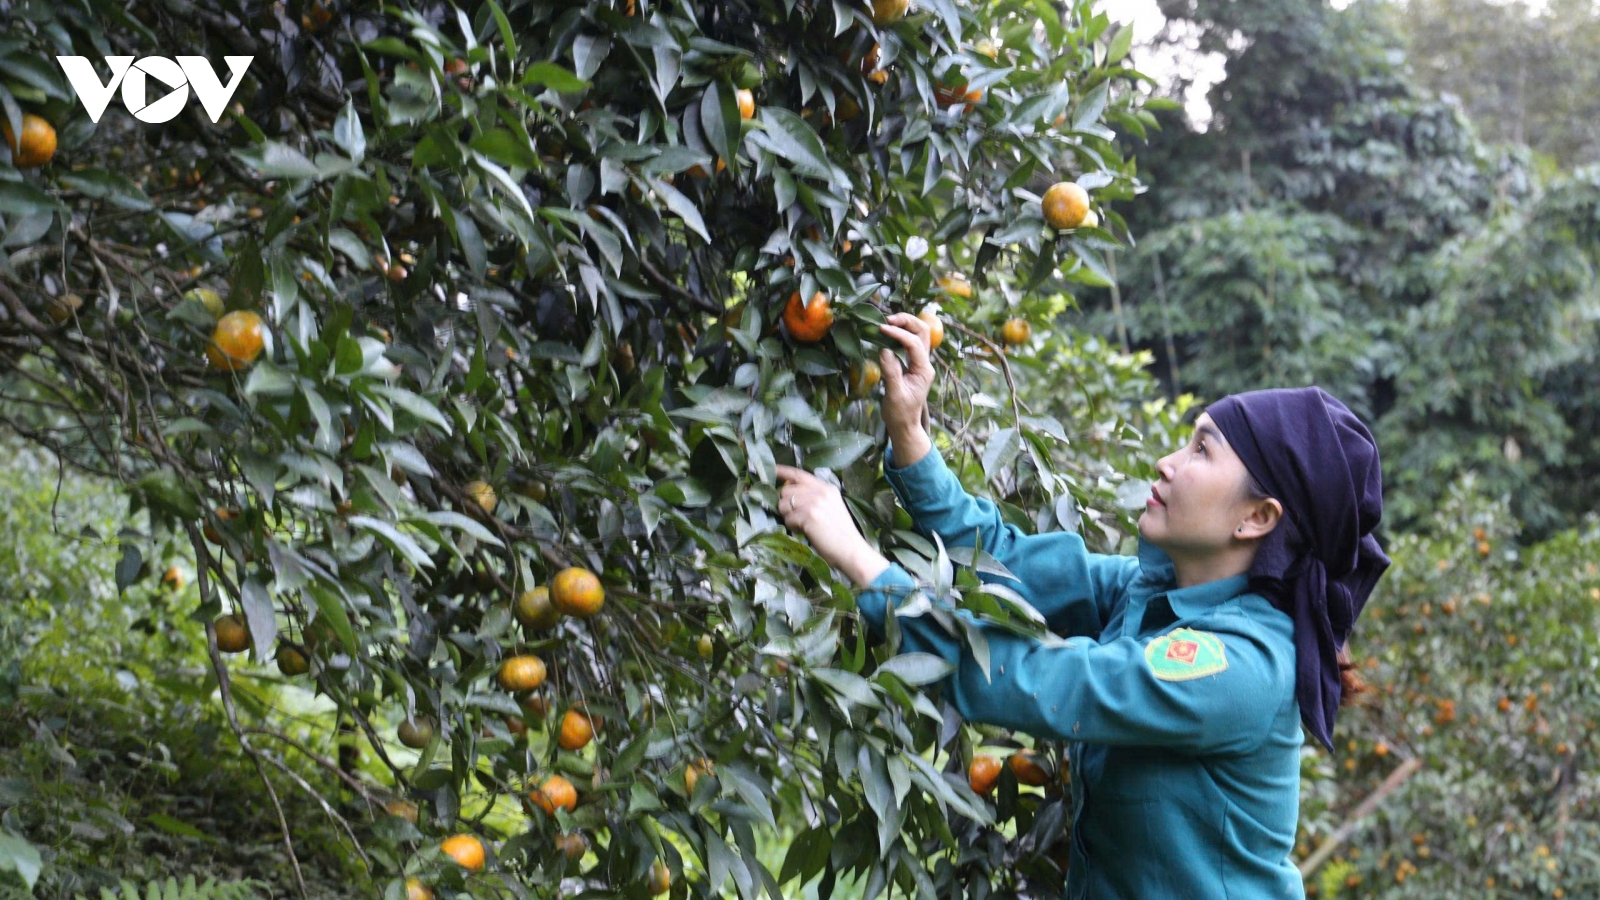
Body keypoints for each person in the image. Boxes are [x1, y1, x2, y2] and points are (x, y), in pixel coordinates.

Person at [774, 312, 1390, 900]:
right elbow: (1003, 558)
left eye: (1203, 451)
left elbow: (1040, 679)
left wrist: (861, 562)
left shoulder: (1240, 666)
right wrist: (911, 435)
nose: (1167, 463)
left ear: (1256, 518)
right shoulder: (1151, 593)